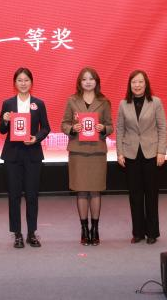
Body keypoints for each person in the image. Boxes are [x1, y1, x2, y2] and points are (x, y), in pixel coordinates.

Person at [0, 67, 51, 249]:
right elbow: (1, 130)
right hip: (12, 155)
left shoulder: (39, 104)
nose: (23, 83)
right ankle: (17, 234)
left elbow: (46, 128)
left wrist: (36, 138)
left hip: (32, 154)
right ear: (15, 83)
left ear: (31, 83)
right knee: (14, 195)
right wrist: (5, 120)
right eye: (19, 80)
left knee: (32, 195)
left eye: (26, 80)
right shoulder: (7, 103)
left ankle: (31, 233)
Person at [61, 67, 113, 246]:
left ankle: (95, 229)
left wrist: (103, 128)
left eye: (91, 79)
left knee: (95, 191)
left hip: (97, 151)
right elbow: (64, 124)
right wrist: (72, 128)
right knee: (82, 191)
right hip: (78, 152)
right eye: (84, 79)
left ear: (96, 81)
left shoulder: (104, 102)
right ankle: (84, 229)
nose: (88, 82)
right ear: (80, 82)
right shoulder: (72, 100)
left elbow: (110, 126)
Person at [116, 70, 167, 244]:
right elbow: (120, 129)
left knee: (151, 194)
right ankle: (137, 232)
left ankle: (152, 232)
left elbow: (162, 128)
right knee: (135, 195)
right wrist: (120, 152)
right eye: (134, 82)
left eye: (140, 82)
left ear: (146, 84)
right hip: (130, 154)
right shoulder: (123, 104)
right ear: (129, 85)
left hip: (151, 153)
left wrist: (161, 151)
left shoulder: (156, 102)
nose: (137, 85)